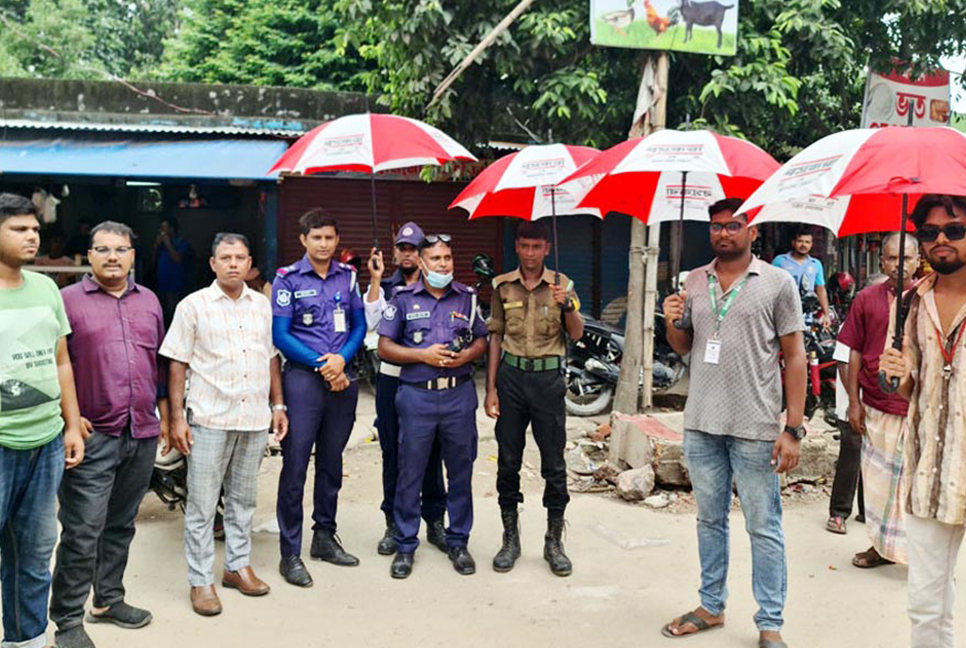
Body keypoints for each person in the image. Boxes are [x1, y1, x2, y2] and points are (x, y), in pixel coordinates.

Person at [661, 198, 807, 648]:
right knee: (710, 520)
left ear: (753, 230)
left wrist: (793, 428)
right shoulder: (694, 280)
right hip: (702, 421)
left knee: (764, 526)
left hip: (757, 425)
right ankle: (711, 605)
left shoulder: (778, 282)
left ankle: (770, 624)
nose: (724, 233)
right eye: (717, 226)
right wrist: (671, 319)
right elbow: (684, 346)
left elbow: (795, 355)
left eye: (734, 225)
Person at [51, 222, 168, 648]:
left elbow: (157, 365)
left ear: (133, 255)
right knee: (83, 530)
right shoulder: (65, 302)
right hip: (92, 436)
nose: (113, 257)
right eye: (103, 249)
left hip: (141, 431)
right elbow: (52, 366)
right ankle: (66, 620)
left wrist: (166, 418)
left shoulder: (150, 301)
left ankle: (108, 599)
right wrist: (69, 418)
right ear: (90, 255)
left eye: (121, 249)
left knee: (120, 524)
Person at [160, 232, 287, 617]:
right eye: (226, 257)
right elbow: (177, 362)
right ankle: (201, 580)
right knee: (201, 504)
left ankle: (237, 566)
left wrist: (278, 404)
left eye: (240, 258)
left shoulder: (262, 307)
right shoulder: (192, 306)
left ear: (250, 265)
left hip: (252, 419)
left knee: (244, 499)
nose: (234, 263)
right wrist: (178, 417)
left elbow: (270, 358)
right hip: (210, 418)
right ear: (213, 264)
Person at [879, 194, 966, 648]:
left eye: (954, 229)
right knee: (927, 604)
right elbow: (910, 389)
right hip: (929, 469)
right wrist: (896, 375)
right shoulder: (910, 303)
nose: (942, 241)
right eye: (930, 233)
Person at [0, 193, 85, 648]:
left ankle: (25, 640)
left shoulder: (46, 288)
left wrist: (71, 426)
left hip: (46, 441)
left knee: (34, 554)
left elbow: (61, 362)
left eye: (34, 229)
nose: (32, 236)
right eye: (19, 229)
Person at [378, 233, 488, 579]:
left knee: (460, 471)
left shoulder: (468, 298)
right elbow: (384, 347)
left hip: (458, 395)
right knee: (410, 472)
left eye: (448, 258)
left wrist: (467, 355)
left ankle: (458, 540)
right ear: (422, 263)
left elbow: (482, 338)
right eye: (436, 259)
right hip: (417, 396)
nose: (443, 265)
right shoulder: (403, 299)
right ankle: (405, 543)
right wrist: (421, 355)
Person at [485, 220, 584, 577]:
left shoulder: (564, 286)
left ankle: (554, 540)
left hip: (548, 380)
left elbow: (576, 334)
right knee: (507, 460)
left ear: (547, 248)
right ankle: (510, 538)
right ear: (517, 248)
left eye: (536, 247)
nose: (530, 254)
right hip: (511, 378)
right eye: (524, 246)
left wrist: (567, 305)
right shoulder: (502, 286)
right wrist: (491, 388)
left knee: (553, 463)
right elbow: (495, 337)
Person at [272, 209, 365, 588]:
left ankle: (324, 537)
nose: (323, 244)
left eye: (329, 238)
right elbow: (280, 335)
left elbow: (359, 325)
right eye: (316, 238)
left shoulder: (349, 277)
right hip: (303, 383)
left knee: (331, 462)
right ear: (303, 240)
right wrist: (323, 365)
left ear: (336, 240)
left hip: (344, 378)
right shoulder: (287, 280)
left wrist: (342, 360)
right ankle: (290, 552)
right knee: (295, 466)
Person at [827, 232, 919, 570]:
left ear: (917, 261)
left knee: (909, 486)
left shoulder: (929, 298)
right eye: (892, 258)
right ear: (882, 262)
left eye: (906, 258)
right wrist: (853, 402)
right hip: (874, 404)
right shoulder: (866, 298)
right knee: (878, 485)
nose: (899, 265)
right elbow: (851, 351)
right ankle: (880, 547)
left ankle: (918, 556)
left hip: (914, 407)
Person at [364, 222, 448, 556]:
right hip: (392, 378)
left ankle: (435, 521)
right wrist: (374, 279)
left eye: (414, 249)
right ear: (395, 251)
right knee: (393, 454)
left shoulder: (439, 288)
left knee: (431, 452)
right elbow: (372, 324)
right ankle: (394, 523)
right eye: (403, 248)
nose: (408, 254)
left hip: (428, 380)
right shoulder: (386, 286)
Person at [773, 227, 832, 328]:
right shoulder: (780, 261)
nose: (803, 245)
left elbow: (820, 290)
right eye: (800, 241)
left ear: (811, 244)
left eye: (807, 242)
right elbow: (770, 286)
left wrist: (826, 314)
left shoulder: (815, 264)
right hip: (783, 313)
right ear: (793, 243)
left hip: (806, 316)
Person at [153, 217, 194, 328]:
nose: (163, 233)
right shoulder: (161, 245)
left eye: (165, 229)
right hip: (162, 283)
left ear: (172, 229)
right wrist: (156, 246)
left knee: (174, 313)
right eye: (161, 229)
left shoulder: (182, 243)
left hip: (175, 284)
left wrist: (168, 243)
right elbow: (153, 261)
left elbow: (177, 258)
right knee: (162, 311)